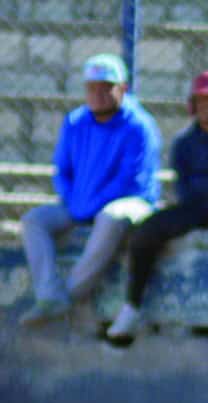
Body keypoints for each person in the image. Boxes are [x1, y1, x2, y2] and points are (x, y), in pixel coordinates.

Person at [104, 71, 208, 348]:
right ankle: (132, 306)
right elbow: (184, 190)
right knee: (147, 231)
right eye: (202, 102)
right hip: (197, 208)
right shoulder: (185, 141)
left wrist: (204, 184)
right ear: (192, 105)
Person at [18, 54, 161, 328]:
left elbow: (128, 180)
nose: (99, 93)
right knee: (33, 220)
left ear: (123, 88)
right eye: (92, 87)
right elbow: (61, 170)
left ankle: (69, 296)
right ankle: (49, 296)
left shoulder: (139, 126)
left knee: (110, 217)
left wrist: (86, 206)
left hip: (130, 202)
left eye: (107, 87)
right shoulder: (75, 122)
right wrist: (73, 201)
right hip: (79, 202)